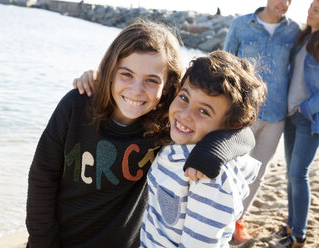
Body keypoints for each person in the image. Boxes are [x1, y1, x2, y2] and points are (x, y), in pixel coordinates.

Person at [26, 20, 254, 248]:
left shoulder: (166, 123)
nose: (136, 90)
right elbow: (42, 176)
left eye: (152, 80)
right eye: (126, 74)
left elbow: (244, 135)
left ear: (168, 86)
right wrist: (42, 241)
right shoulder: (77, 105)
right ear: (110, 71)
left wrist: (212, 150)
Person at [140, 51, 267, 247]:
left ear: (230, 127)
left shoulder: (209, 178)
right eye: (184, 97)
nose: (184, 114)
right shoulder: (181, 141)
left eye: (203, 111)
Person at [223, 0, 301, 243]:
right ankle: (223, 215)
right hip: (242, 112)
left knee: (257, 172)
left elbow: (300, 67)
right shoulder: (240, 25)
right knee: (231, 167)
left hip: (276, 116)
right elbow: (225, 65)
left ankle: (238, 221)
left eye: (290, 0)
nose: (285, 4)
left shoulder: (294, 31)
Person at [269, 1, 319, 247]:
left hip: (309, 119)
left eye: (317, 9)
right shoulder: (303, 38)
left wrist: (306, 107)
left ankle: (298, 236)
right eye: (311, 7)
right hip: (290, 115)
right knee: (291, 175)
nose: (310, 12)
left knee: (299, 175)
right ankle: (290, 226)